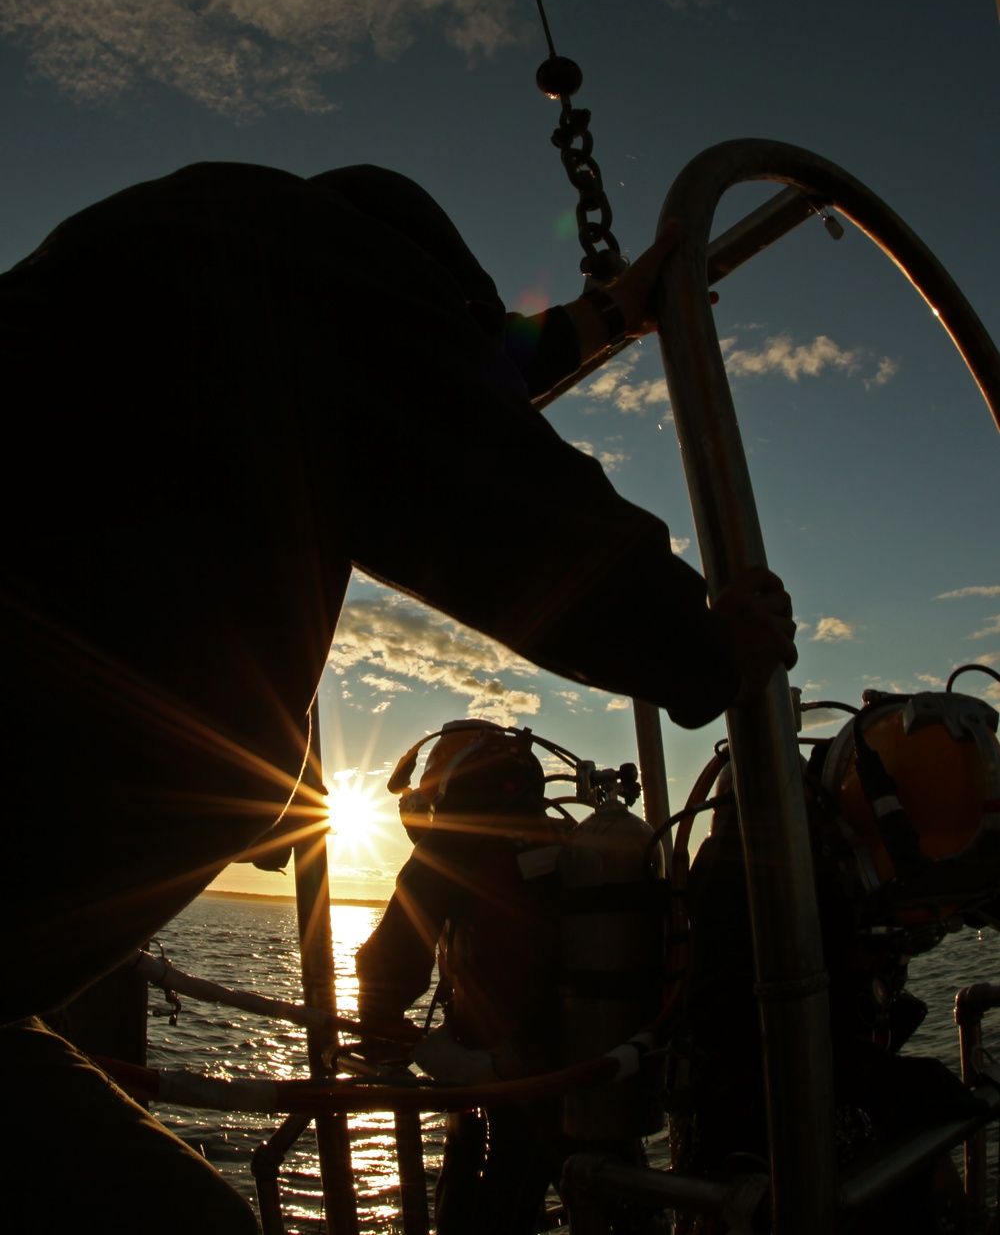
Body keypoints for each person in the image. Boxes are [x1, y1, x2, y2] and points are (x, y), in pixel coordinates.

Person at [1, 162, 797, 1227]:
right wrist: (704, 648)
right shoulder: (305, 266)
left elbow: (468, 377)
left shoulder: (165, 290)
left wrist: (614, 309)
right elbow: (487, 474)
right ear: (420, 285)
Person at [355, 720, 573, 1235]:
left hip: (511, 1068)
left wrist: (379, 1026)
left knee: (500, 1199)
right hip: (584, 1056)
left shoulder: (456, 842)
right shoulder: (553, 834)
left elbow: (391, 953)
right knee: (587, 1185)